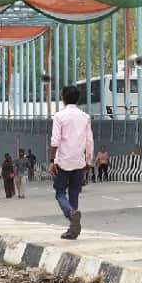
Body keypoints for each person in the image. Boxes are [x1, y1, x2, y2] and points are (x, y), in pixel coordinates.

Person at [50, 85, 94, 240]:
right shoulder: (85, 117)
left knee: (60, 193)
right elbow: (89, 141)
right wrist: (88, 160)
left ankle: (70, 214)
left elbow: (55, 141)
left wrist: (52, 161)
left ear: (63, 98)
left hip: (63, 161)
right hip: (79, 162)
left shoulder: (59, 116)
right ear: (78, 99)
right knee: (74, 192)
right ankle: (73, 228)